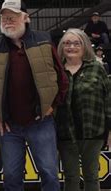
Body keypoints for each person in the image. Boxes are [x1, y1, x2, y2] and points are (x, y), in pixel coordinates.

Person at [0, 0, 69, 190]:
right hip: (9, 126)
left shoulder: (44, 41)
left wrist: (52, 106)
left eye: (13, 16)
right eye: (5, 17)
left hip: (41, 122)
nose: (8, 20)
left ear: (26, 18)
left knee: (49, 173)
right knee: (12, 177)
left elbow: (62, 79)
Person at [55, 28, 111, 191]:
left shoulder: (96, 68)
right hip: (65, 133)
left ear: (84, 45)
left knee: (92, 177)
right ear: (61, 47)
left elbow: (108, 99)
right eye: (67, 43)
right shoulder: (56, 71)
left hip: (93, 132)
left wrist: (109, 130)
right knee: (70, 178)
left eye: (76, 43)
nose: (71, 47)